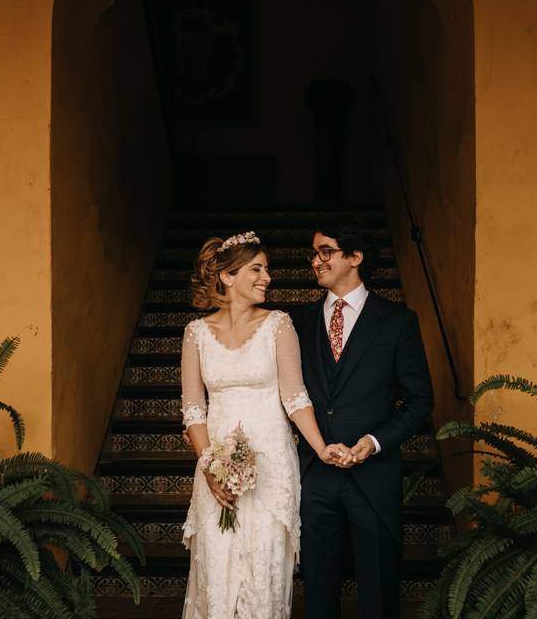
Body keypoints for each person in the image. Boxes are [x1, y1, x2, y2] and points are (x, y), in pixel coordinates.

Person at [180, 230, 351, 619]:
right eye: (257, 269)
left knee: (264, 570)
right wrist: (209, 466)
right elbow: (193, 409)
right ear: (227, 277)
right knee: (218, 565)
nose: (267, 278)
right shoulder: (196, 334)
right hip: (216, 469)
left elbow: (295, 397)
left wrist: (322, 448)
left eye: (267, 269)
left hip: (272, 467)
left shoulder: (279, 324)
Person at [292, 218, 434, 619]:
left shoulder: (397, 322)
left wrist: (372, 443)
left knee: (378, 592)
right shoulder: (296, 323)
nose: (316, 261)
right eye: (314, 253)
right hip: (313, 477)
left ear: (355, 257)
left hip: (373, 477)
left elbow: (420, 401)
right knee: (318, 593)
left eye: (326, 252)